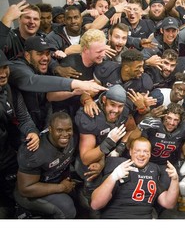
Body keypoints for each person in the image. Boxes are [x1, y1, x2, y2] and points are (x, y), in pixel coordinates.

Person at [8, 36, 107, 131]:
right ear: (27, 55)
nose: (45, 58)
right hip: (19, 129)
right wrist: (76, 83)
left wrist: (73, 90)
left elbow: (50, 62)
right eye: (39, 53)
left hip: (41, 121)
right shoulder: (16, 67)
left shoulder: (42, 63)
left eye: (47, 53)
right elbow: (32, 81)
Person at [90, 137, 179, 219]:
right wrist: (113, 177)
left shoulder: (154, 170)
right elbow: (96, 204)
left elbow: (168, 203)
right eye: (137, 151)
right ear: (130, 152)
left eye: (145, 151)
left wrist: (175, 180)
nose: (141, 154)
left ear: (150, 155)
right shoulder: (120, 166)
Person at [14, 112, 77, 219]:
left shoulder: (72, 139)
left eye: (68, 129)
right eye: (59, 130)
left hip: (54, 180)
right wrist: (61, 187)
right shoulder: (34, 152)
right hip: (31, 194)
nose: (65, 134)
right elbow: (25, 189)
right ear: (50, 129)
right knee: (67, 209)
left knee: (78, 197)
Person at [0, 50, 40, 218]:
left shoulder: (9, 89)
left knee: (11, 200)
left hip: (7, 157)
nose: (2, 74)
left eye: (4, 68)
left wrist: (32, 132)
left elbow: (23, 117)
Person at [127, 103, 185, 188]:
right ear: (164, 116)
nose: (171, 123)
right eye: (169, 118)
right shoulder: (153, 125)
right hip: (147, 162)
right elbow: (130, 144)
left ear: (180, 121)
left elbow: (184, 151)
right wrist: (140, 126)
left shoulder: (184, 129)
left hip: (166, 164)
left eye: (176, 120)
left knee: (166, 186)